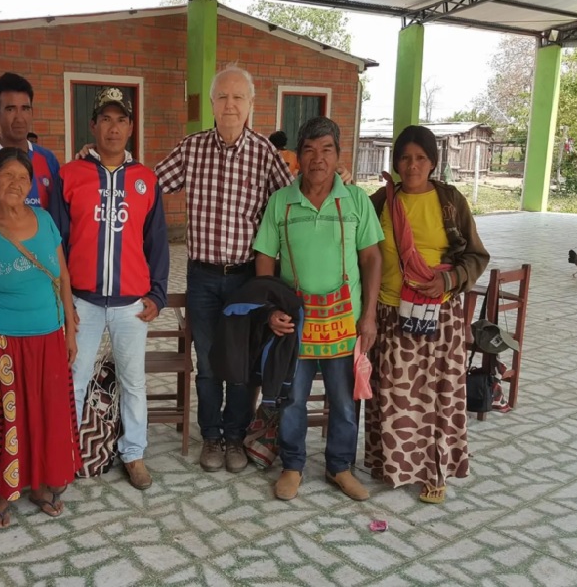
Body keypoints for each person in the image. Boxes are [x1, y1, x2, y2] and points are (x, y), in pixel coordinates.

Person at [154, 65, 293, 474]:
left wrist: (338, 180)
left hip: (247, 278)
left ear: (251, 104)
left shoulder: (265, 152)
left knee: (242, 362)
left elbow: (291, 199)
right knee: (210, 361)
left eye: (238, 98)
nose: (230, 105)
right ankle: (211, 437)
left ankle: (236, 437)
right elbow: (149, 183)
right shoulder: (192, 148)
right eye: (222, 97)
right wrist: (103, 170)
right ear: (212, 104)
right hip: (202, 277)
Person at [254, 117, 384, 502]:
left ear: (338, 155)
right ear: (298, 157)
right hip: (297, 320)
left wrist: (370, 315)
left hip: (345, 320)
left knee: (344, 401)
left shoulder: (356, 201)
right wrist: (269, 309)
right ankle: (292, 465)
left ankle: (339, 467)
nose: (318, 159)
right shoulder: (281, 202)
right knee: (292, 397)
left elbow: (373, 259)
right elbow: (264, 258)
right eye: (309, 150)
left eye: (327, 150)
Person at [49, 87, 169, 490]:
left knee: (134, 381)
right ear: (93, 125)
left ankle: (133, 453)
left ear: (131, 127)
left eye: (121, 120)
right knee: (75, 378)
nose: (113, 128)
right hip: (82, 300)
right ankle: (65, 454)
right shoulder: (70, 175)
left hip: (130, 304)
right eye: (106, 119)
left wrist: (157, 294)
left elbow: (157, 243)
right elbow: (57, 243)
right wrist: (62, 299)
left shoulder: (146, 180)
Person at [366, 125, 490, 504]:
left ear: (433, 162)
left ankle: (434, 470)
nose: (412, 164)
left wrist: (450, 279)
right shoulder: (380, 202)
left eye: (420, 157)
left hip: (439, 314)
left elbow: (476, 256)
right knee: (393, 395)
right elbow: (364, 253)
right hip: (390, 312)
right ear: (396, 162)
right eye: (405, 157)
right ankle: (391, 465)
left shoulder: (450, 201)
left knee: (436, 395)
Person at [0, 146, 81, 529]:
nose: (15, 183)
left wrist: (70, 331)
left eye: (23, 178)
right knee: (9, 419)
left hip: (49, 335)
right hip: (4, 342)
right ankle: (1, 494)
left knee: (47, 413)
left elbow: (62, 277)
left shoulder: (45, 220)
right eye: (7, 175)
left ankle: (40, 485)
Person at [0, 73, 61, 214]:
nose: (19, 118)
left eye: (25, 109)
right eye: (10, 109)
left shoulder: (48, 159)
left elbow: (57, 215)